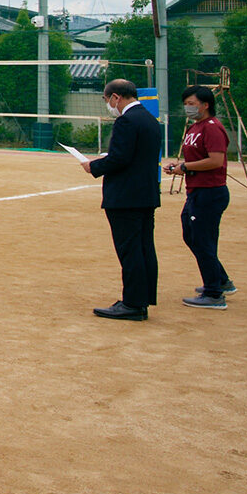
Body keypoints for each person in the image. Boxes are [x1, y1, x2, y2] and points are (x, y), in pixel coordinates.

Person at [83, 79, 164, 320]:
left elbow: (120, 159)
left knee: (130, 250)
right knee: (144, 247)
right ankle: (142, 298)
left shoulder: (126, 121)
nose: (108, 104)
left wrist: (93, 166)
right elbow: (134, 154)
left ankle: (133, 303)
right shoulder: (150, 119)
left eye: (107, 100)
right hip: (146, 194)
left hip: (126, 197)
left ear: (116, 97)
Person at [167, 85, 235, 309]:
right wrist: (180, 166)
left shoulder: (213, 128)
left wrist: (185, 167)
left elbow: (216, 161)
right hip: (196, 191)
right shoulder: (195, 127)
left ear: (206, 105)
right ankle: (221, 280)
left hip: (210, 192)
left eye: (192, 104)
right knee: (192, 235)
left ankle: (214, 294)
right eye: (186, 104)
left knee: (202, 239)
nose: (188, 108)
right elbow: (196, 158)